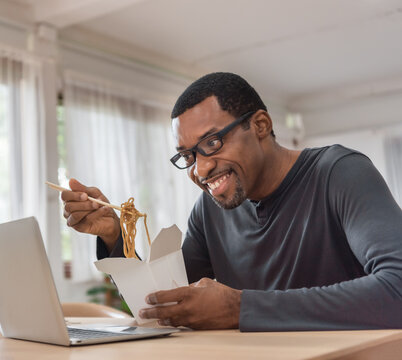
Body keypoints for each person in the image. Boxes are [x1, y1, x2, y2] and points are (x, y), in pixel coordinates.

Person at [60, 72, 402, 331]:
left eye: (212, 143)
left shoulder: (339, 173)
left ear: (261, 125)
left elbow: (397, 289)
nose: (201, 168)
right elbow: (165, 303)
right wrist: (115, 235)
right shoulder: (209, 210)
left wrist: (240, 308)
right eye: (188, 156)